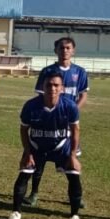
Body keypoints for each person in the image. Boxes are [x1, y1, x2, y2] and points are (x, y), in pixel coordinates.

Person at [6, 71, 84, 219]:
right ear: (43, 87)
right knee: (24, 175)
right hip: (37, 146)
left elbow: (75, 130)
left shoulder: (69, 106)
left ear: (62, 88)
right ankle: (16, 212)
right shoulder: (31, 106)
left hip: (62, 146)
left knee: (74, 176)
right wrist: (27, 153)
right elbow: (24, 130)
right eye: (49, 85)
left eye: (56, 85)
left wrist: (73, 155)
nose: (52, 88)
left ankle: (74, 216)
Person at [25, 36, 89, 208]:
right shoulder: (47, 71)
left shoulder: (80, 72)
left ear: (73, 50)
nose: (65, 51)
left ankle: (75, 196)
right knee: (40, 160)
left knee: (71, 159)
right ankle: (34, 193)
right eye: (61, 48)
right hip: (49, 122)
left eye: (68, 48)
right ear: (56, 51)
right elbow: (40, 95)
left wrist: (72, 112)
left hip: (68, 123)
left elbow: (83, 95)